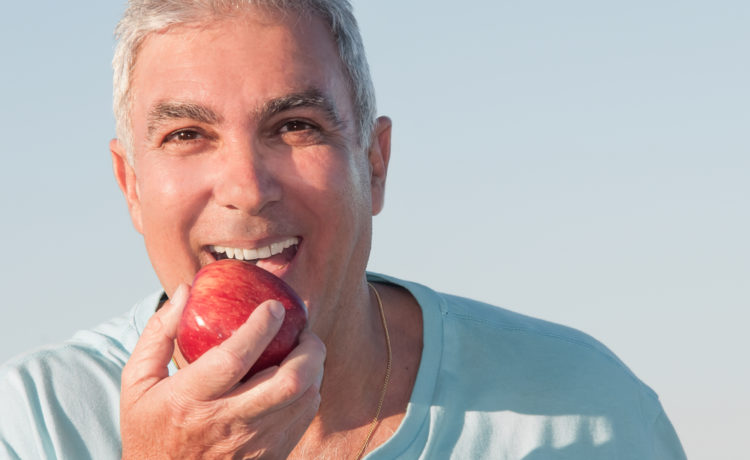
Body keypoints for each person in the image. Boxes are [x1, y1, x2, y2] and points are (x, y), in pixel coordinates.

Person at [0, 0, 687, 458]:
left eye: (295, 126)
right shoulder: (32, 426)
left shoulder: (581, 412)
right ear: (131, 187)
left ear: (375, 164)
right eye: (187, 134)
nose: (246, 186)